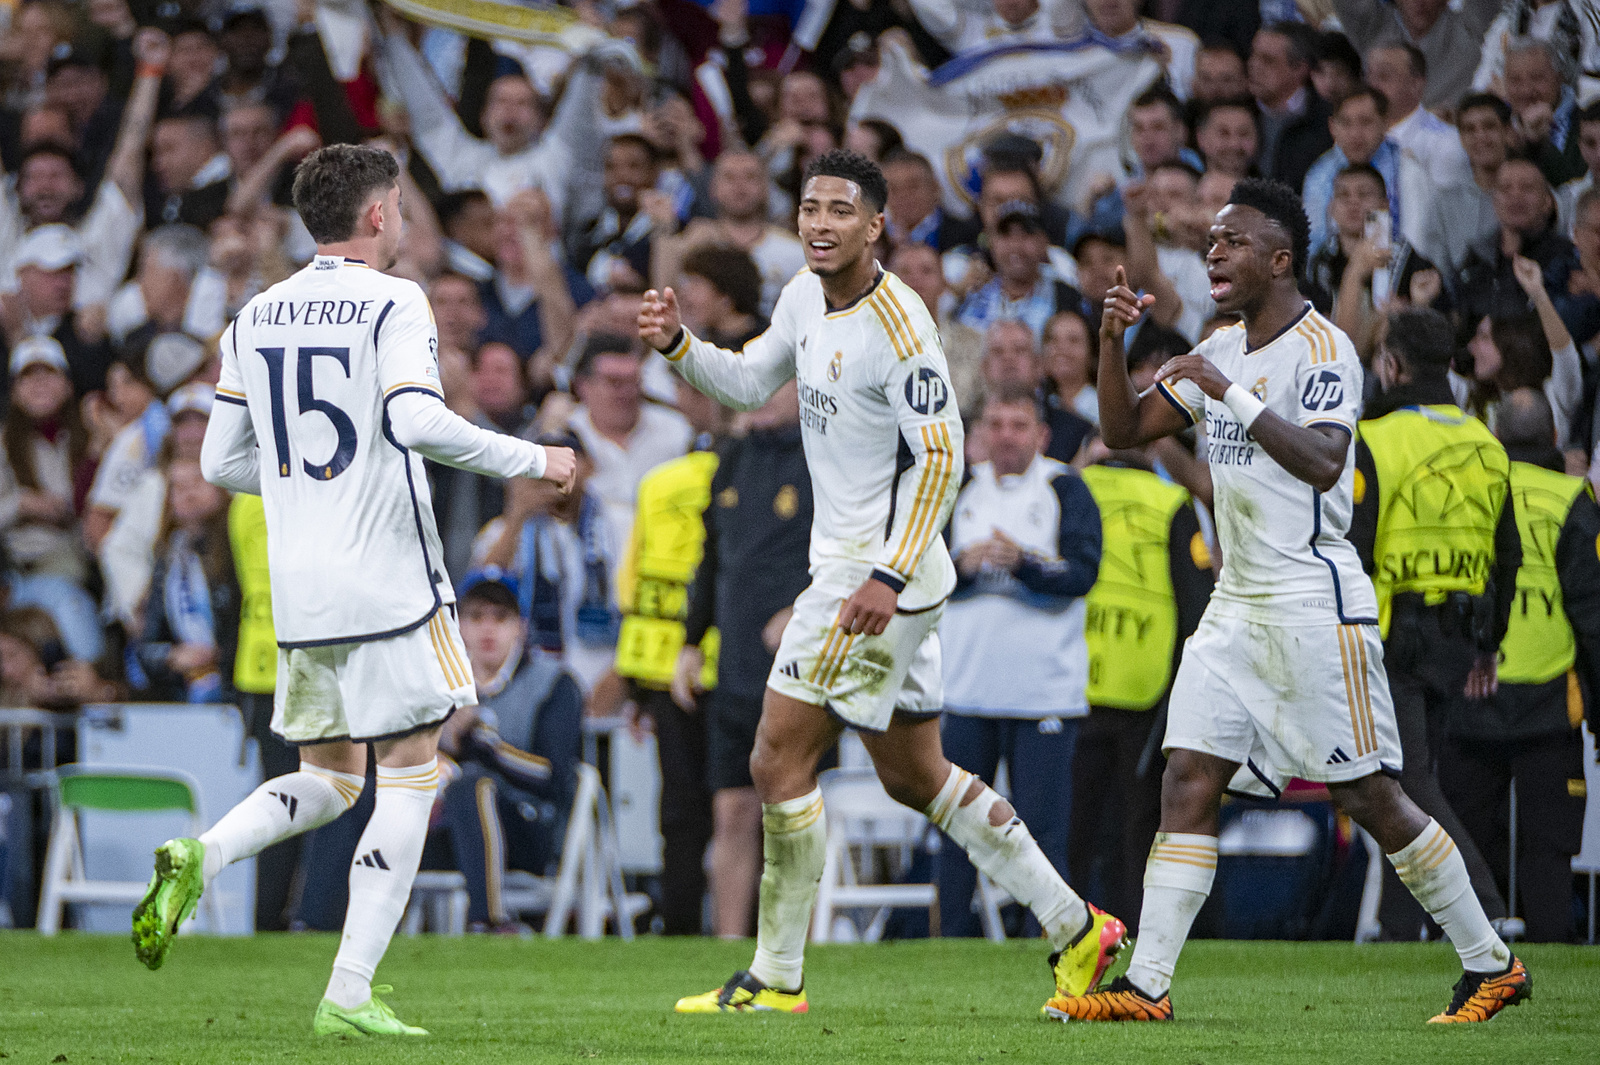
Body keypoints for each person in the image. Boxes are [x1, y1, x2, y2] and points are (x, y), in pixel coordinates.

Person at [640, 148, 1125, 1016]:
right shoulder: (799, 295)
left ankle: (777, 977)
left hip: (876, 576)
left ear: (876, 226)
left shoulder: (904, 326)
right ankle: (1078, 927)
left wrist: (887, 574)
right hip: (865, 572)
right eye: (810, 206)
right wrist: (682, 345)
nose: (820, 223)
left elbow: (945, 457)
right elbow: (751, 379)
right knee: (918, 775)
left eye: (840, 210)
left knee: (776, 754)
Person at [1056, 178, 1528, 1023]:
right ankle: (1147, 987)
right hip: (1235, 604)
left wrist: (1225, 391)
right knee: (1189, 775)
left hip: (1315, 604)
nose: (1212, 253)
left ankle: (1491, 962)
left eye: (1230, 242)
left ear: (1279, 259)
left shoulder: (1324, 350)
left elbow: (1319, 460)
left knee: (1370, 795)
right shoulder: (1220, 347)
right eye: (1211, 243)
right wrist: (1111, 339)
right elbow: (1124, 430)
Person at [133, 144, 577, 1037]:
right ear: (378, 214)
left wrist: (310, 482)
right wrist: (537, 456)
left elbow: (219, 460)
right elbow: (415, 419)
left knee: (332, 779)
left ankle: (202, 851)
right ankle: (348, 989)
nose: (405, 220)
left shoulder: (252, 315)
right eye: (402, 205)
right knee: (413, 774)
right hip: (389, 580)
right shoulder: (394, 298)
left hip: (299, 594)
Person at [1348, 308, 1519, 941]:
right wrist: (1489, 645)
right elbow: (1509, 557)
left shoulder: (1376, 437)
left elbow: (1355, 546)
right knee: (1415, 778)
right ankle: (1399, 929)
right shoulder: (1486, 440)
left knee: (1404, 783)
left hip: (1392, 632)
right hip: (1458, 636)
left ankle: (1485, 904)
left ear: (1392, 364)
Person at [936, 384, 1101, 937]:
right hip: (965, 690)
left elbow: (1083, 574)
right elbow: (918, 571)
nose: (1006, 436)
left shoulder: (1065, 489)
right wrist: (962, 563)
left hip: (1043, 696)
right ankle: (949, 946)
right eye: (997, 425)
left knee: (1044, 833)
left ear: (1042, 435)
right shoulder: (957, 488)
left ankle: (1054, 940)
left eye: (1019, 425)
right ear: (981, 432)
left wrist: (1023, 563)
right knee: (957, 828)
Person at [1442, 388, 1600, 942]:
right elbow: (1593, 617)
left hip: (1470, 692)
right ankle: (1551, 956)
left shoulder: (1473, 490)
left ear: (1496, 438)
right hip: (1550, 703)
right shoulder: (1573, 499)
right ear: (1555, 439)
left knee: (1461, 843)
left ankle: (1466, 958)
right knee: (1548, 854)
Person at [673, 382, 813, 939]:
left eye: (772, 383)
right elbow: (711, 558)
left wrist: (802, 612)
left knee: (789, 815)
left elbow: (852, 549)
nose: (757, 395)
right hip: (732, 667)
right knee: (731, 813)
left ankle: (795, 945)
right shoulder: (729, 460)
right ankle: (728, 944)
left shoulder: (822, 458)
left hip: (797, 671)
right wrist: (690, 640)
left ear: (802, 391)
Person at [1072, 438, 1214, 933]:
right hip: (1146, 687)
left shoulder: (1073, 487)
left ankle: (1065, 932)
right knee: (1139, 827)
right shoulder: (1172, 501)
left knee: (1073, 824)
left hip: (1072, 682)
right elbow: (1198, 602)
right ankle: (1136, 933)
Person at [431, 570, 582, 934]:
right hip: (445, 825)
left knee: (473, 786)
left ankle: (489, 920)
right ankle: (319, 927)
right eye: (476, 617)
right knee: (364, 787)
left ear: (521, 627)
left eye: (500, 618)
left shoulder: (553, 683)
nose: (487, 630)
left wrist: (485, 744)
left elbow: (556, 778)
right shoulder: (436, 683)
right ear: (458, 626)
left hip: (527, 826)